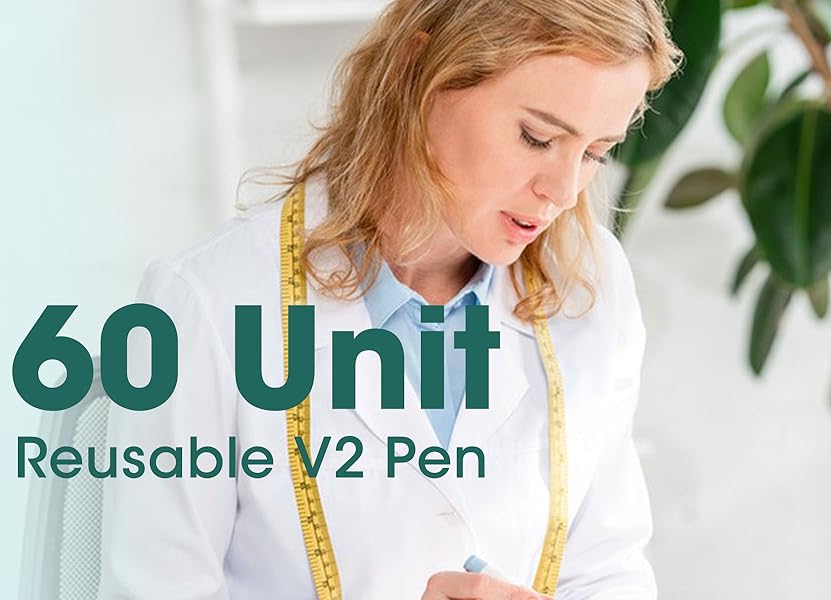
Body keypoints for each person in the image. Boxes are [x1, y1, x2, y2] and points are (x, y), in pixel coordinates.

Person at [100, 0, 680, 598]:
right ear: (417, 72)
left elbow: (606, 569)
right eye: (537, 137)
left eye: (595, 153)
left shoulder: (592, 282)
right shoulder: (205, 303)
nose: (563, 190)